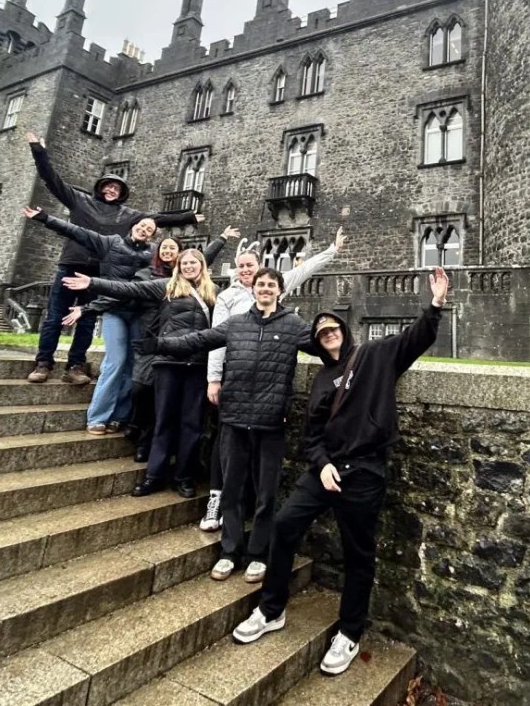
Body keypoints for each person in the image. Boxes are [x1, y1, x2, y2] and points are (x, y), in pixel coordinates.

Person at [232, 267, 450, 678]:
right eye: (321, 331)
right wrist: (323, 464)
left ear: (344, 331)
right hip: (325, 470)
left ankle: (350, 631)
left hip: (364, 470)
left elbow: (415, 339)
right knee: (283, 525)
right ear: (315, 343)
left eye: (333, 327)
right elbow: (311, 437)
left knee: (359, 554)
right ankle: (271, 608)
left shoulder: (373, 355)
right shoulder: (319, 381)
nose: (328, 333)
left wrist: (435, 304)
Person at [152, 266, 319, 585]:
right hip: (234, 417)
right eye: (261, 284)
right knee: (231, 489)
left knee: (266, 493)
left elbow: (328, 346)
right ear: (253, 289)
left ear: (280, 291)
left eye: (272, 285)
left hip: (270, 421)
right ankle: (229, 552)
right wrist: (160, 344)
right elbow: (200, 339)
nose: (266, 289)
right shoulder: (237, 323)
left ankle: (257, 555)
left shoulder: (293, 325)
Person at [197, 228, 346, 532]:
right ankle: (218, 500)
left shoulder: (274, 288)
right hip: (233, 376)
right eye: (241, 266)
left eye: (250, 265)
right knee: (225, 445)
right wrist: (214, 379)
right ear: (237, 270)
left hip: (268, 383)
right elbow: (216, 340)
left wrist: (332, 249)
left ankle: (246, 513)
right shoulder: (227, 297)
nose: (246, 270)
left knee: (260, 458)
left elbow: (304, 270)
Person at [25, 132, 200, 385]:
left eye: (116, 187)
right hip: (70, 266)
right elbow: (51, 180)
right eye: (108, 185)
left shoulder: (128, 215)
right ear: (100, 187)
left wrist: (189, 217)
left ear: (122, 193)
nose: (111, 189)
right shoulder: (79, 200)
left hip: (97, 274)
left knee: (86, 319)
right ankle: (43, 363)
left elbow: (157, 218)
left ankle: (75, 366)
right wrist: (39, 151)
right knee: (55, 316)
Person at [66, 240, 234, 498]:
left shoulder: (215, 293)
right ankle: (154, 475)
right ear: (179, 266)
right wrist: (93, 283)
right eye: (185, 262)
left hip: (198, 364)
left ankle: (184, 477)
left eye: (194, 262)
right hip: (167, 362)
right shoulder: (165, 287)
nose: (189, 266)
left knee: (192, 424)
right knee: (163, 420)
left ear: (202, 266)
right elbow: (130, 289)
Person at [21, 206, 158, 434]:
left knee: (133, 365)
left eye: (149, 229)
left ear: (152, 236)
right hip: (113, 310)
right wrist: (45, 218)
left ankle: (119, 416)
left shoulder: (153, 252)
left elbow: (183, 261)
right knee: (115, 361)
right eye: (142, 225)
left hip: (138, 314)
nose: (144, 229)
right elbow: (78, 232)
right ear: (134, 226)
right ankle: (98, 415)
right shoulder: (111, 243)